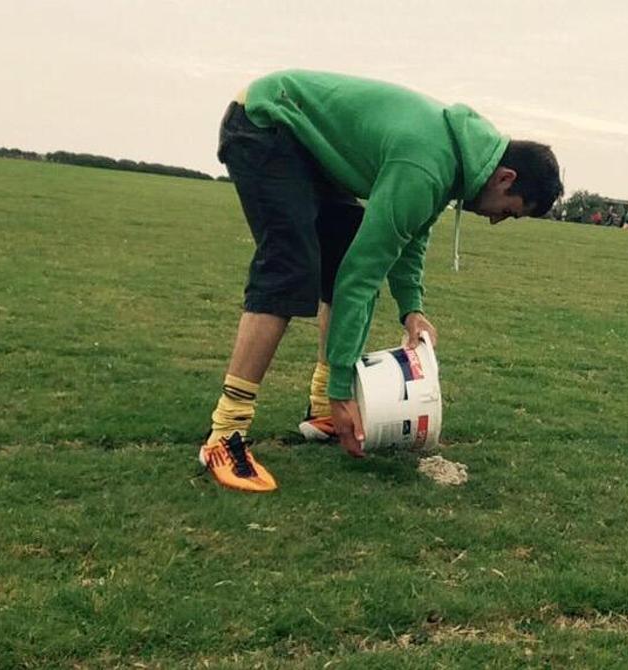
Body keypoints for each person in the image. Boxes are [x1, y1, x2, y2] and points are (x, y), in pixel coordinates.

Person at [202, 70, 563, 492]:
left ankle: (319, 406)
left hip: (303, 145)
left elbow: (410, 236)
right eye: (510, 210)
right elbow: (363, 277)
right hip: (266, 122)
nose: (498, 220)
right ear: (506, 179)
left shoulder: (454, 159)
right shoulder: (427, 163)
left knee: (336, 261)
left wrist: (412, 310)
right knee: (290, 268)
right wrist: (345, 390)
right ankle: (226, 432)